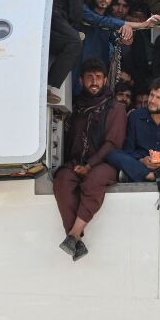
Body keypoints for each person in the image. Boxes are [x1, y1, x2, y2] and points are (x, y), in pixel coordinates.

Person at [53, 59, 127, 261]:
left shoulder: (116, 108)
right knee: (62, 180)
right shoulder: (75, 107)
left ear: (105, 80)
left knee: (94, 180)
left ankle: (74, 234)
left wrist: (89, 165)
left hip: (105, 164)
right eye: (89, 78)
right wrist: (79, 165)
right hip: (77, 162)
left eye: (98, 78)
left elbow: (113, 143)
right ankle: (75, 241)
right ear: (80, 80)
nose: (94, 82)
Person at [76, 0, 160, 91]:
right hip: (79, 70)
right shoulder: (84, 10)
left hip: (100, 74)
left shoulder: (111, 20)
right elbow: (101, 21)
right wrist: (142, 24)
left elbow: (113, 39)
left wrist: (124, 40)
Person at [47, 0, 87, 103]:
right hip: (56, 18)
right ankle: (49, 86)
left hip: (45, 20)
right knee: (74, 43)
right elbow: (75, 10)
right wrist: (76, 30)